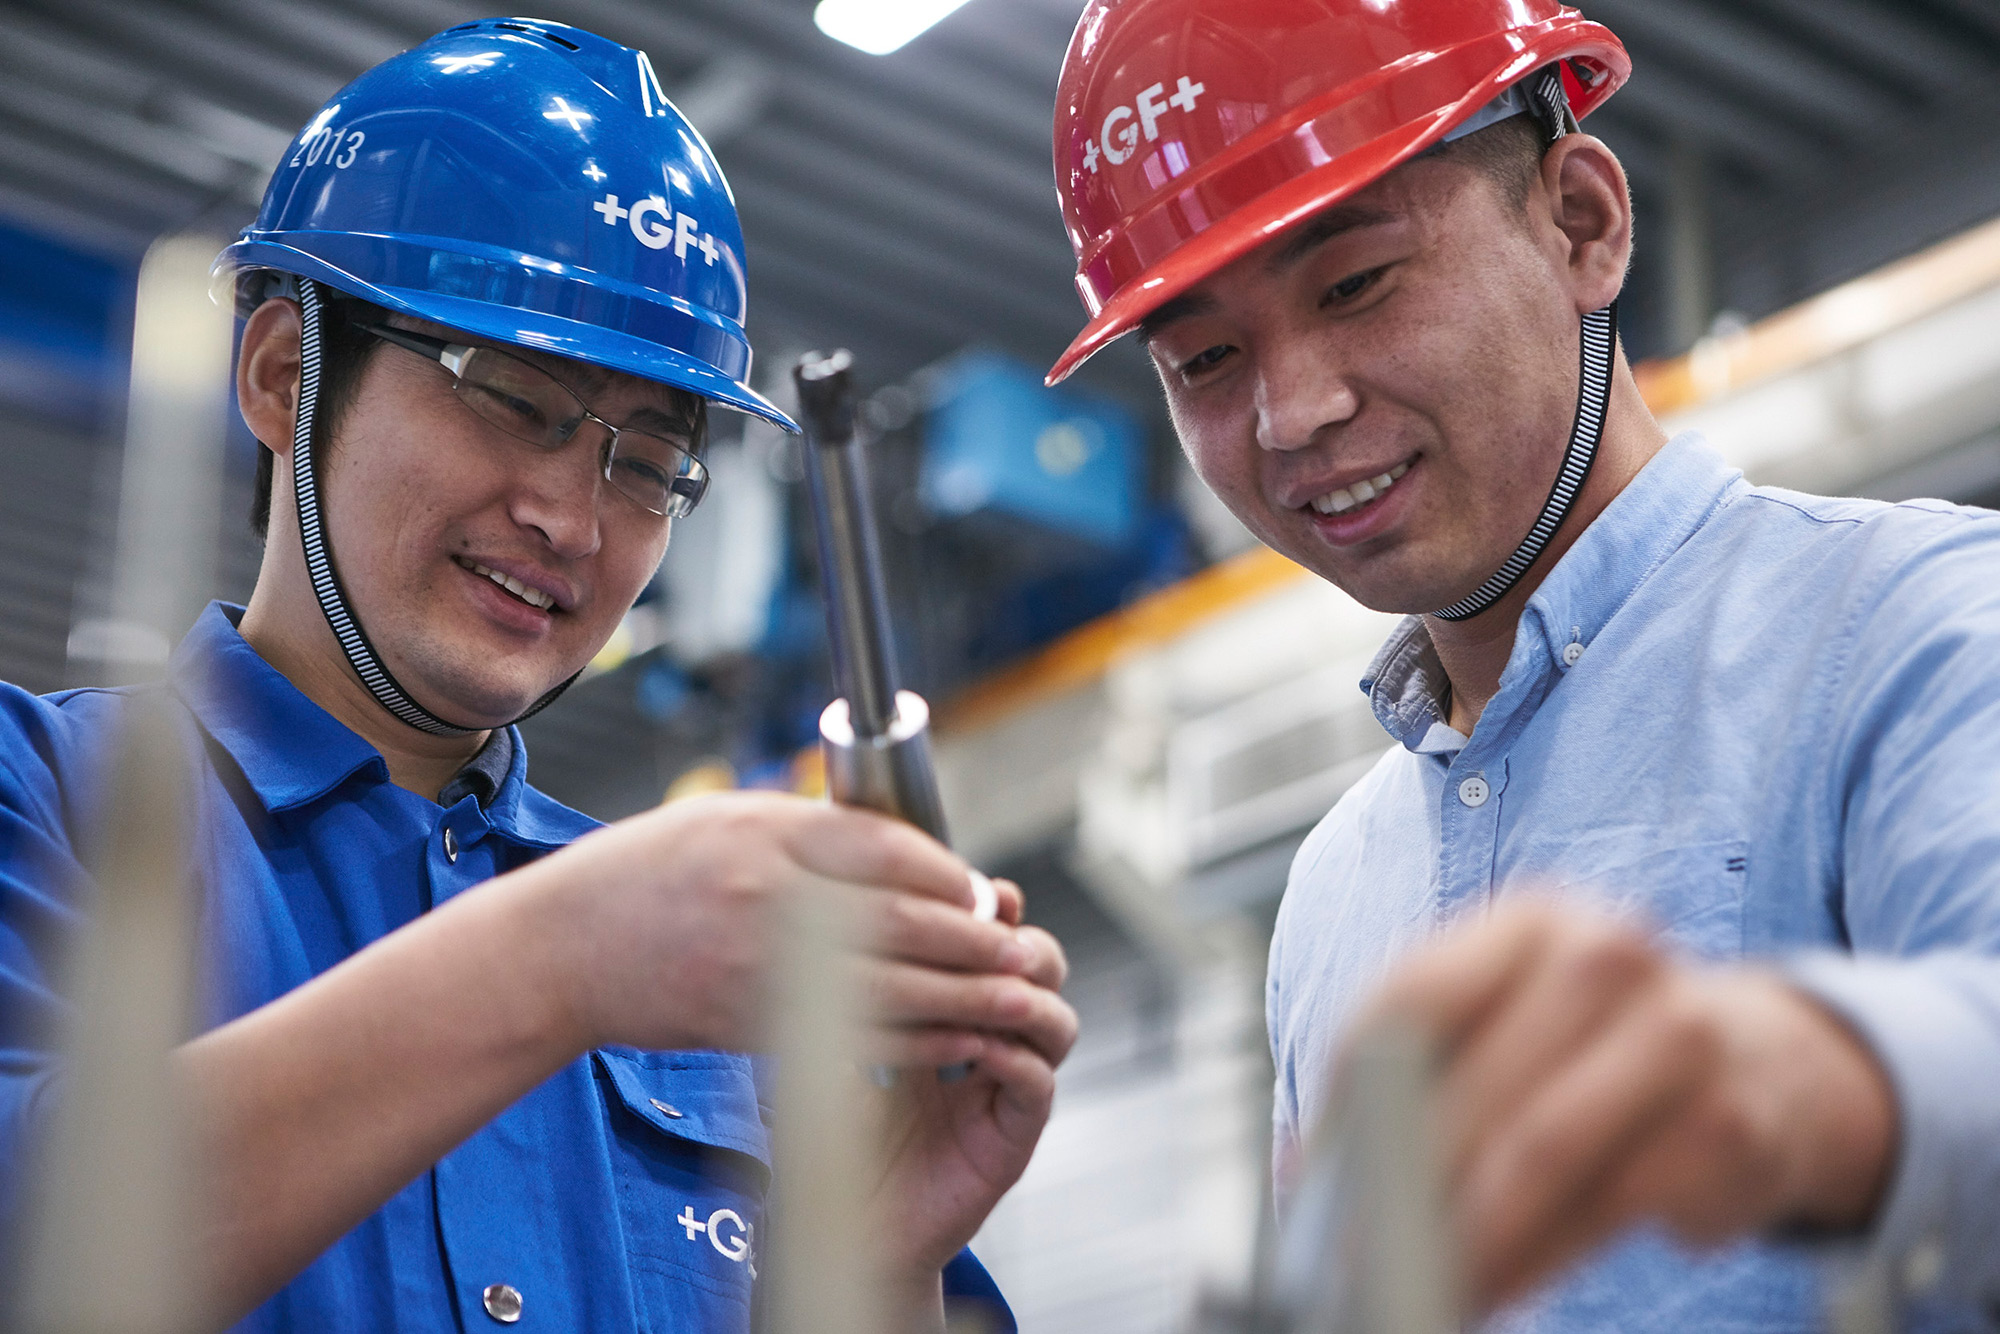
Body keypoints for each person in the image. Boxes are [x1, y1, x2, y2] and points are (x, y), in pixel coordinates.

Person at [0, 19, 1076, 1332]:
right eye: (512, 394)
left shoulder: (727, 965)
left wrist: (878, 1274)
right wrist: (555, 962)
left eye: (647, 461)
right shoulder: (43, 805)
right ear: (285, 372)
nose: (575, 519)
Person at [1048, 0, 2000, 1328]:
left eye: (1357, 282)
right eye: (1206, 358)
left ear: (1582, 223)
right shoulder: (1336, 895)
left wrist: (1812, 1086)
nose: (1294, 409)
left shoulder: (1919, 633)